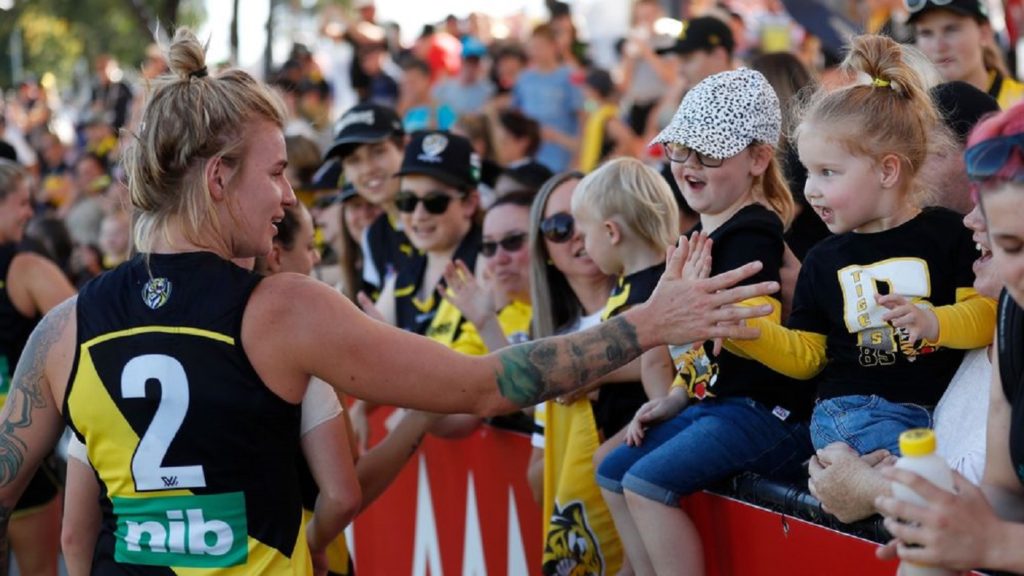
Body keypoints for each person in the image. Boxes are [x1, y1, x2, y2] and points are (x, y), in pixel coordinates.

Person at [0, 28, 783, 574]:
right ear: (216, 178)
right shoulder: (281, 310)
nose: (287, 195)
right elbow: (482, 384)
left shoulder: (68, 328)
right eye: (275, 173)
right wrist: (645, 324)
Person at [727, 35, 995, 458]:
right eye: (809, 173)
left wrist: (934, 322)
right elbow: (810, 357)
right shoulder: (822, 259)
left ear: (887, 170)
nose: (811, 190)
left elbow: (984, 317)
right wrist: (744, 333)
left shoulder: (950, 233)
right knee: (926, 487)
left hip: (932, 412)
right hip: (855, 413)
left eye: (828, 173)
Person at [595, 69, 814, 576]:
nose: (689, 166)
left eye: (709, 154)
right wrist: (675, 396)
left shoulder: (754, 231)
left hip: (764, 412)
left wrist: (685, 311)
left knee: (645, 487)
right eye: (680, 150)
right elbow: (700, 350)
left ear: (758, 159)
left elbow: (736, 335)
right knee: (612, 473)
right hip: (721, 405)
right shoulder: (703, 234)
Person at [874, 100, 1024, 575]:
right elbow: (1003, 492)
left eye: (1020, 243)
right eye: (1005, 244)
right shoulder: (1013, 314)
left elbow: (997, 531)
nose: (969, 224)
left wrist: (996, 544)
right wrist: (924, 505)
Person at [808, 198, 1002, 522]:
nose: (968, 220)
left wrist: (870, 490)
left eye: (991, 203)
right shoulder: (999, 324)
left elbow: (994, 501)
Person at [526, 173, 624, 575]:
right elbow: (537, 479)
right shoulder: (548, 347)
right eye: (559, 227)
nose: (577, 235)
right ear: (544, 248)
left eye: (587, 218)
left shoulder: (654, 304)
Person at [569, 157, 681, 457]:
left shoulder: (647, 293)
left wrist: (590, 373)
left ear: (610, 232)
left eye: (585, 235)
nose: (583, 246)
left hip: (644, 420)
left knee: (602, 461)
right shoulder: (631, 284)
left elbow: (657, 359)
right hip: (630, 417)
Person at [0, 158, 76, 576]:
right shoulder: (26, 267)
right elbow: (89, 340)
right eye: (22, 203)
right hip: (21, 450)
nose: (30, 213)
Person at [322, 103, 411, 297]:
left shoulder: (438, 214)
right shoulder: (374, 236)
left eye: (378, 152)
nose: (367, 169)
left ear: (404, 146)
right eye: (354, 160)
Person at [906, 0, 1024, 108]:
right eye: (926, 33)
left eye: (951, 29)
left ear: (984, 33)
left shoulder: (1019, 104)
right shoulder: (916, 114)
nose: (939, 47)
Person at [513, 24, 585, 173]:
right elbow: (517, 113)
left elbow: (583, 115)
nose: (534, 52)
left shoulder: (569, 75)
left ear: (553, 46)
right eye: (531, 47)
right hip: (532, 158)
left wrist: (578, 155)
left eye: (539, 46)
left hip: (563, 157)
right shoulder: (524, 78)